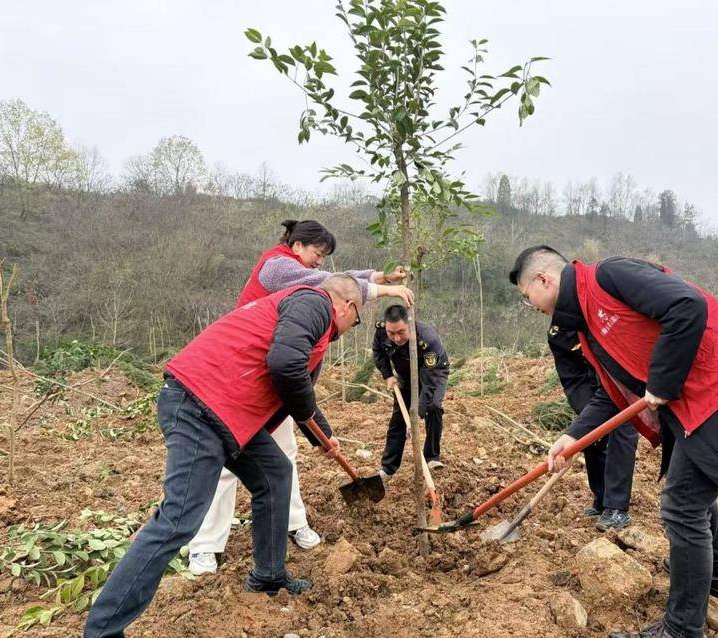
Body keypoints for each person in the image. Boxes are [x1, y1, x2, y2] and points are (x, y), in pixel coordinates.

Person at [509, 246, 718, 638]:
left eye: (525, 294)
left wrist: (662, 382)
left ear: (544, 280)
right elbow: (612, 392)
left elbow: (686, 305)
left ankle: (682, 629)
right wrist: (571, 437)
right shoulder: (585, 321)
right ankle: (717, 574)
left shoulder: (607, 277)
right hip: (699, 403)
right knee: (688, 495)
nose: (529, 305)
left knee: (682, 505)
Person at [84, 275, 363, 638]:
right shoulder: (314, 304)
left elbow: (298, 388)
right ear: (347, 306)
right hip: (199, 405)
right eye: (355, 322)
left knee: (275, 473)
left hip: (228, 414)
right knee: (179, 520)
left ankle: (268, 574)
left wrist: (322, 437)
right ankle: (102, 630)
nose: (350, 328)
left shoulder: (312, 327)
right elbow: (284, 363)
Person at [189, 219, 414, 576]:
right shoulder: (276, 266)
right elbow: (329, 285)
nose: (319, 262)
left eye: (324, 257)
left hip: (274, 385)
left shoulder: (307, 282)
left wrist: (377, 276)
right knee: (227, 463)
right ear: (295, 245)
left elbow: (338, 280)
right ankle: (205, 547)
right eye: (316, 253)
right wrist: (379, 290)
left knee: (284, 456)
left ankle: (293, 523)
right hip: (241, 382)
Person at [546, 326, 639, 531]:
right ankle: (601, 500)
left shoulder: (596, 317)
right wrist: (587, 417)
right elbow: (573, 379)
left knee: (621, 431)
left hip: (622, 384)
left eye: (529, 293)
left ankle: (616, 507)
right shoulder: (558, 334)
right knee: (591, 437)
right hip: (594, 392)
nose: (532, 304)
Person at [372, 304, 449, 480]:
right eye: (392, 333)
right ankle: (388, 468)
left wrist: (416, 416)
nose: (396, 338)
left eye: (401, 332)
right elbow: (378, 352)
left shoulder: (428, 339)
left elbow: (429, 383)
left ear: (409, 324)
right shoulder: (382, 331)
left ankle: (431, 457)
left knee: (434, 407)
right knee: (399, 416)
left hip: (433, 372)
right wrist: (388, 375)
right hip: (405, 374)